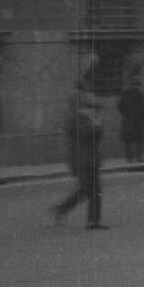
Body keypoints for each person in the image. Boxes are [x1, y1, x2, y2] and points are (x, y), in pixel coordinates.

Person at [54, 90, 107, 229]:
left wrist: (97, 125)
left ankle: (93, 222)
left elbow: (97, 137)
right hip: (80, 162)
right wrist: (95, 124)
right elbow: (85, 134)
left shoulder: (89, 120)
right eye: (89, 107)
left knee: (96, 191)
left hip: (92, 160)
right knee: (85, 189)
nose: (93, 111)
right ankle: (61, 209)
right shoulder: (74, 120)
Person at [117, 77, 144, 163]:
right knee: (139, 140)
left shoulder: (125, 94)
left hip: (128, 121)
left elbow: (119, 106)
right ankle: (139, 157)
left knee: (128, 141)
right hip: (138, 121)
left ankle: (129, 158)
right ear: (138, 85)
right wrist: (143, 119)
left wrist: (125, 115)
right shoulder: (140, 94)